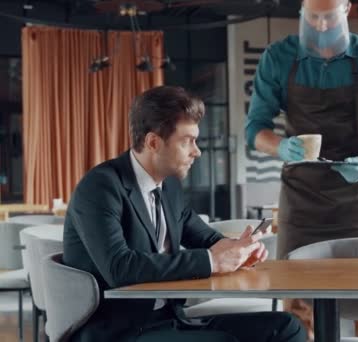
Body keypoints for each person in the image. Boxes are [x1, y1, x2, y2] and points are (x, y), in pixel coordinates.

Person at [63, 86, 306, 342]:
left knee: (288, 327)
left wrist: (239, 250)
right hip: (118, 331)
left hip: (169, 319)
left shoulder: (169, 186)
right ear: (153, 142)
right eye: (187, 140)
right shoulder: (100, 186)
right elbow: (120, 268)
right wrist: (213, 261)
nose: (197, 151)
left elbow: (205, 239)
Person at [245, 0, 358, 339]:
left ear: (346, 8)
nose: (322, 26)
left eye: (329, 17)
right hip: (301, 197)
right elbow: (255, 130)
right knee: (297, 303)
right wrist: (281, 147)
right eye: (313, 17)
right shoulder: (278, 58)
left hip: (354, 195)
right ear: (301, 10)